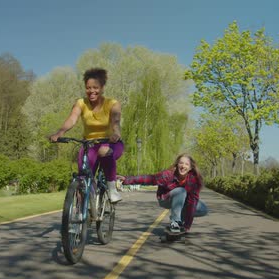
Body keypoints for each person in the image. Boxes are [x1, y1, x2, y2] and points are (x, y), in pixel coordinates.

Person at [49, 68, 123, 203]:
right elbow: (72, 118)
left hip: (111, 142)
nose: (92, 91)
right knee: (82, 178)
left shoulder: (112, 104)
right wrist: (60, 133)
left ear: (102, 87)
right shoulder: (81, 103)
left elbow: (115, 120)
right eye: (88, 88)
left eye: (96, 87)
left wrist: (116, 133)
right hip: (90, 144)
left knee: (104, 151)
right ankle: (82, 209)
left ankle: (112, 189)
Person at [117, 153, 208, 233]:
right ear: (177, 164)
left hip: (182, 202)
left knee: (203, 209)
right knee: (181, 191)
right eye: (181, 163)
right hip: (166, 199)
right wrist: (127, 179)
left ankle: (181, 223)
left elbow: (192, 202)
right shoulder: (168, 175)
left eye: (186, 164)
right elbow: (149, 179)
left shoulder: (194, 180)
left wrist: (187, 226)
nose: (183, 166)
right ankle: (175, 222)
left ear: (190, 167)